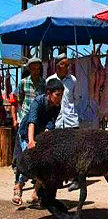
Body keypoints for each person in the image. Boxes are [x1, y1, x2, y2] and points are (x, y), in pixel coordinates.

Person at [12, 78, 64, 206]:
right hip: (26, 134)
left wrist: (46, 138)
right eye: (57, 95)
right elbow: (32, 122)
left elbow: (51, 124)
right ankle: (18, 187)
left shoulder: (57, 107)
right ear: (48, 93)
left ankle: (35, 193)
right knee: (28, 163)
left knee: (44, 163)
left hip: (39, 135)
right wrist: (31, 142)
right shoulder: (37, 102)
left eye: (61, 95)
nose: (59, 98)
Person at [11, 58, 45, 206]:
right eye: (34, 68)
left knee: (40, 158)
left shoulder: (44, 84)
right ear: (30, 69)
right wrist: (16, 118)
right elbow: (18, 100)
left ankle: (35, 192)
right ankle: (18, 188)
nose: (36, 71)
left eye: (39, 68)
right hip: (25, 124)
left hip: (38, 125)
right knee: (27, 157)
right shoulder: (23, 83)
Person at [46, 53, 80, 191]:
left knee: (74, 151)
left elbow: (76, 98)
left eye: (68, 65)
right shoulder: (50, 80)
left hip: (71, 119)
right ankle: (59, 178)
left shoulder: (73, 80)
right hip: (57, 121)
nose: (66, 67)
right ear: (56, 65)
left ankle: (76, 179)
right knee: (58, 151)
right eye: (63, 65)